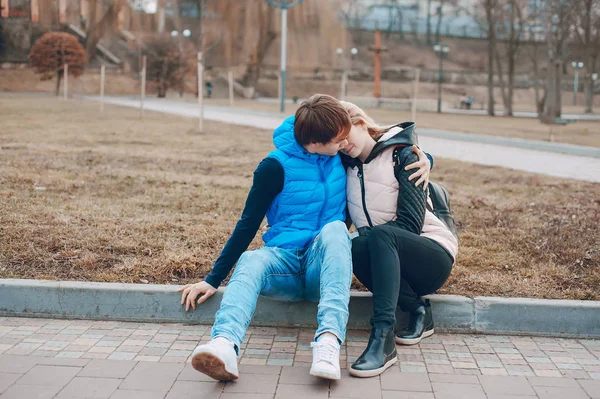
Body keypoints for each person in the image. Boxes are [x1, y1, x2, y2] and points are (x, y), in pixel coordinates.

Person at [177, 94, 354, 382]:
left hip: (322, 266)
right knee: (251, 259)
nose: (345, 143)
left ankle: (328, 343)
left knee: (335, 229)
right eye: (338, 140)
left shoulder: (340, 156)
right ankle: (224, 345)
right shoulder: (274, 167)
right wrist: (212, 279)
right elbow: (247, 224)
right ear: (316, 142)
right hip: (282, 263)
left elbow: (383, 148)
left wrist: (419, 157)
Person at [340, 101, 458, 378]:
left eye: (345, 134)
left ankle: (382, 339)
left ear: (360, 124)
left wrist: (425, 158)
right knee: (353, 245)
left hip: (431, 257)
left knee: (377, 235)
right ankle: (417, 309)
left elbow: (410, 224)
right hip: (388, 263)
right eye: (336, 140)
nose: (343, 143)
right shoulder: (345, 167)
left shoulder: (403, 156)